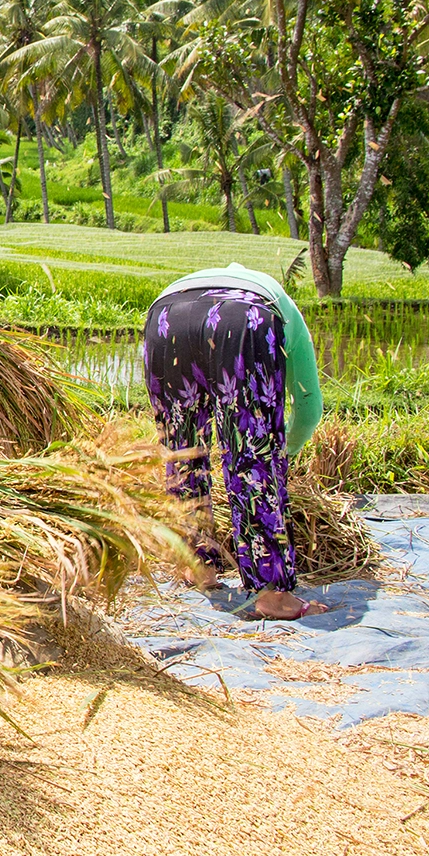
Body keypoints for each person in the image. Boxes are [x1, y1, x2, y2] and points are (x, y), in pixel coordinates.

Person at [143, 262, 327, 620]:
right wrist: (284, 451)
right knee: (252, 460)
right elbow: (308, 405)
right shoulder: (280, 305)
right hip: (242, 317)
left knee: (182, 451)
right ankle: (272, 595)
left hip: (166, 315)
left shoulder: (192, 282)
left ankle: (198, 568)